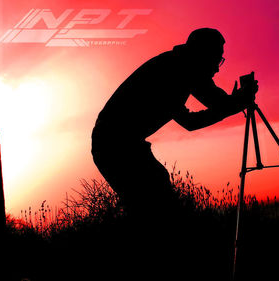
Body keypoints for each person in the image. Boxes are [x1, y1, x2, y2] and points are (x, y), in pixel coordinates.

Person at [91, 28, 258, 222]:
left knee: (154, 199)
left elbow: (206, 108)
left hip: (119, 144)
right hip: (115, 146)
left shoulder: (178, 64)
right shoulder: (179, 70)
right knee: (154, 205)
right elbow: (198, 117)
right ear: (203, 53)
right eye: (217, 59)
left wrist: (234, 103)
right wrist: (237, 103)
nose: (218, 68)